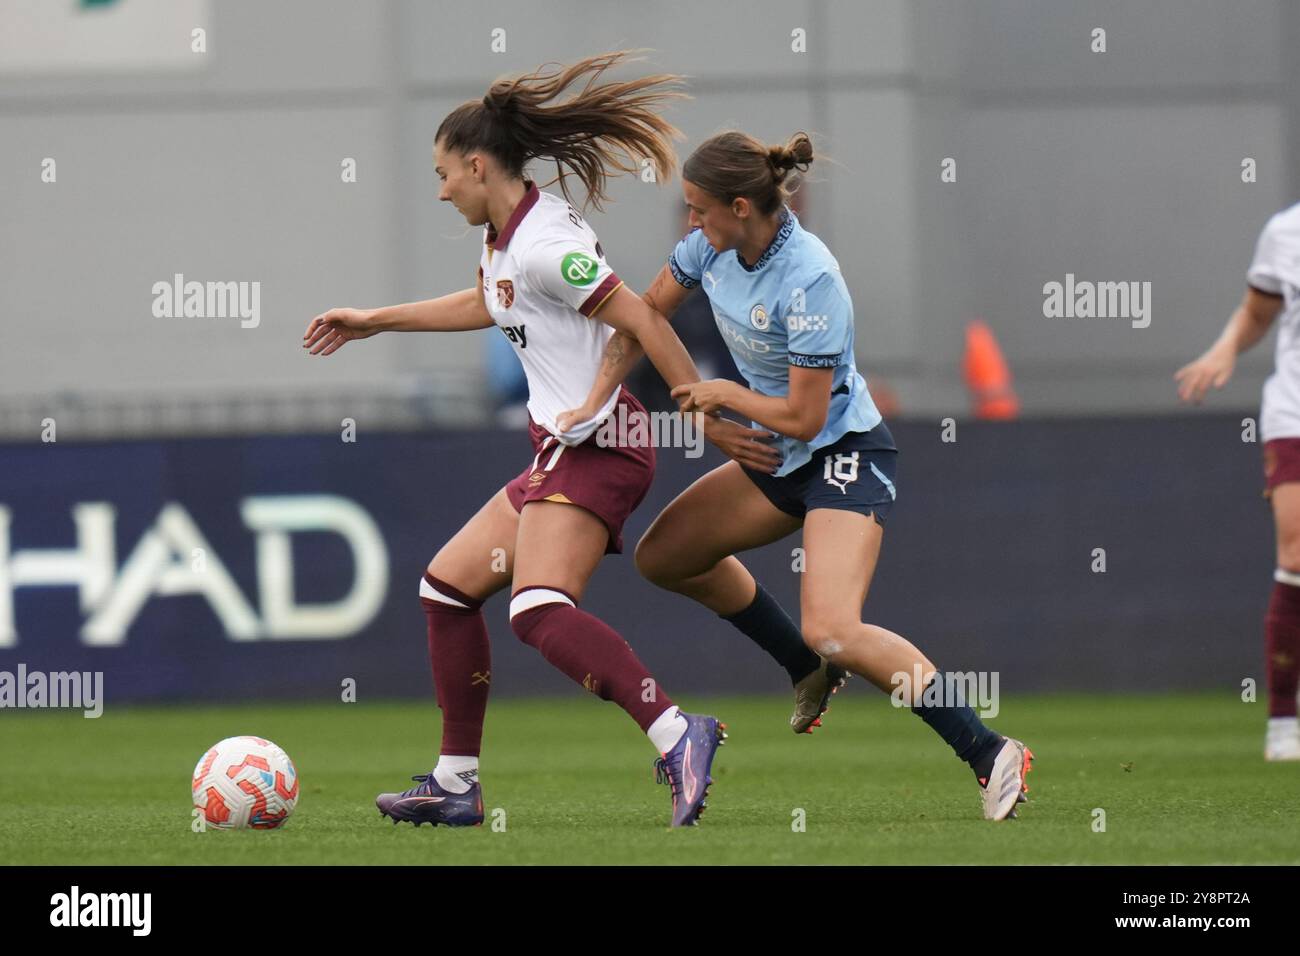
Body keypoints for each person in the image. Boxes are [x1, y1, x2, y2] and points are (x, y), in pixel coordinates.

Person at [302, 51, 727, 827]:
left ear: (474, 164)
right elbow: (487, 303)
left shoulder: (543, 247)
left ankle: (678, 733)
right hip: (560, 452)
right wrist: (373, 320)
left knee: (536, 608)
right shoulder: (507, 241)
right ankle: (456, 784)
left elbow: (640, 317)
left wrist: (693, 405)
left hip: (600, 446)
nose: (439, 190)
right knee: (447, 588)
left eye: (442, 174)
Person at [558, 130, 1034, 820]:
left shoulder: (811, 277)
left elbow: (807, 417)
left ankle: (989, 750)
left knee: (836, 627)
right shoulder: (706, 251)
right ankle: (803, 666)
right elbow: (638, 318)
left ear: (743, 207)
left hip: (844, 455)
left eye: (700, 209)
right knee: (663, 556)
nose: (691, 224)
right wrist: (594, 400)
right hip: (777, 454)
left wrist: (721, 398)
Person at [1175, 200, 1300, 761]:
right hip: (1294, 414)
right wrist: (1223, 349)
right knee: (1295, 554)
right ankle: (1283, 721)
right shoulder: (1286, 230)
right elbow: (1258, 310)